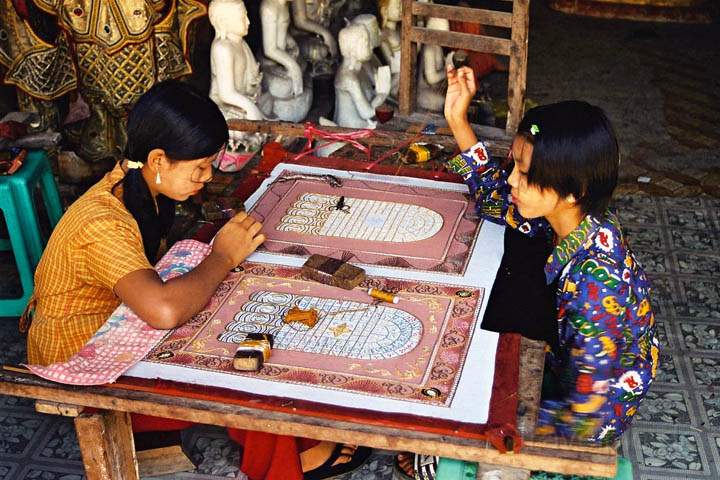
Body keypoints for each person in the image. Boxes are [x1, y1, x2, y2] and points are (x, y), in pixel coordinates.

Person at [23, 80, 368, 480]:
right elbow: (165, 310)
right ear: (158, 159)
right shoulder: (103, 222)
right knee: (239, 355)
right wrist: (222, 254)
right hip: (80, 357)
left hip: (114, 322)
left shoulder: (136, 183)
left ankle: (293, 435)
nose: (207, 176)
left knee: (245, 315)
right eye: (200, 167)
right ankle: (287, 456)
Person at [396, 66, 659, 478]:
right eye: (515, 164)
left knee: (445, 448)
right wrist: (458, 122)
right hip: (567, 368)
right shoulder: (564, 217)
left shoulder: (596, 284)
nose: (513, 180)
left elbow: (587, 416)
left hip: (584, 415)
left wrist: (488, 422)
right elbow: (494, 198)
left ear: (573, 190)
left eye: (525, 173)